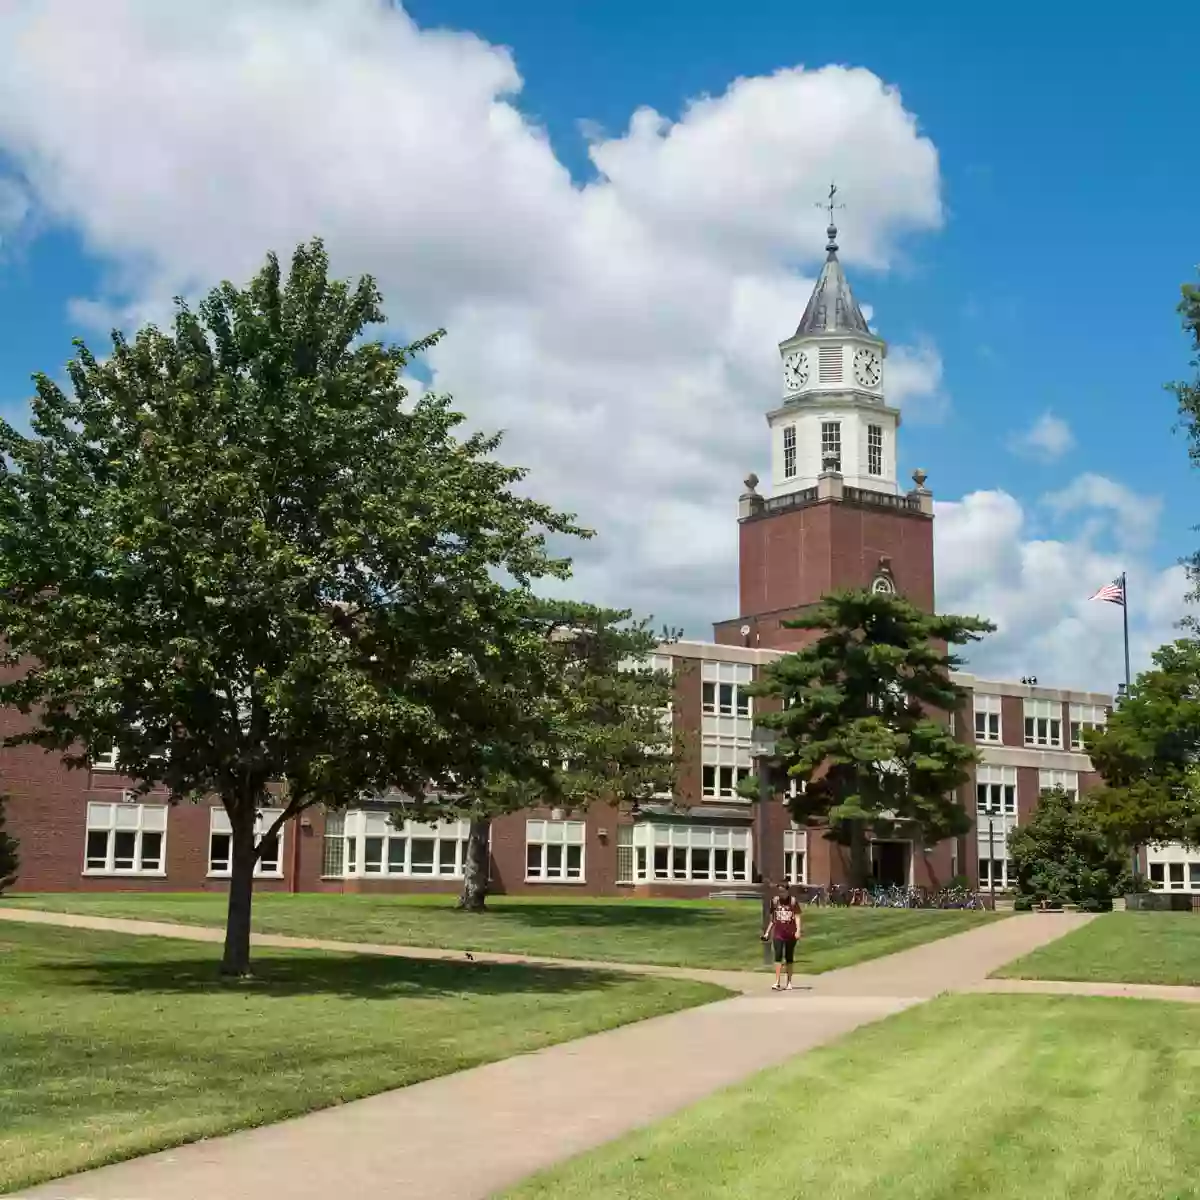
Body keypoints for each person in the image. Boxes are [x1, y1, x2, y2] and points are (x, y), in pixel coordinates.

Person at [761, 884, 802, 991]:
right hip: (778, 934)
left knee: (789, 958)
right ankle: (777, 982)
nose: (781, 894)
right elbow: (773, 919)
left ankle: (789, 982)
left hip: (790, 934)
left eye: (783, 891)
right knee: (778, 956)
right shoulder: (775, 901)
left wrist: (798, 930)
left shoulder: (793, 902)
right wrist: (767, 933)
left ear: (787, 891)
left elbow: (797, 917)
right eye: (779, 891)